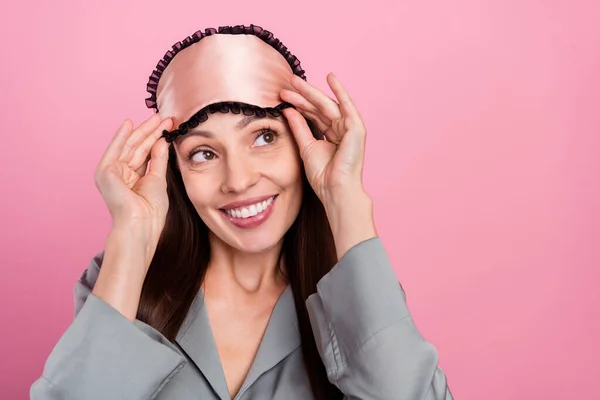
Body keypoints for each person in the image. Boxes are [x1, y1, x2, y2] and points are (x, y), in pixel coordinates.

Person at [30, 24, 454, 400]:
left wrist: (345, 201)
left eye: (264, 136)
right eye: (204, 152)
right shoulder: (120, 283)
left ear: (306, 141)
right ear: (174, 168)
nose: (238, 179)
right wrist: (130, 234)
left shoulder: (359, 290)